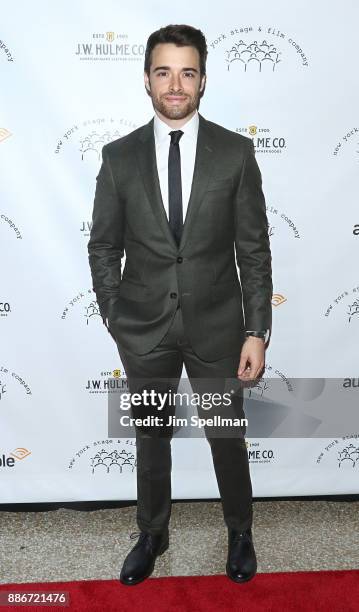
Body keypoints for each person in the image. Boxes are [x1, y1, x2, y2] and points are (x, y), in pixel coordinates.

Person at [88, 24, 273, 586]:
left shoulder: (235, 153)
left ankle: (239, 531)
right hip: (143, 330)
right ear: (147, 79)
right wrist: (117, 317)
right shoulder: (118, 157)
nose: (175, 84)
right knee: (150, 437)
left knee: (226, 437)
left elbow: (254, 248)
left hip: (219, 328)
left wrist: (257, 330)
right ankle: (152, 533)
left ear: (203, 80)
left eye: (186, 72)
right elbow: (104, 244)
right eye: (163, 72)